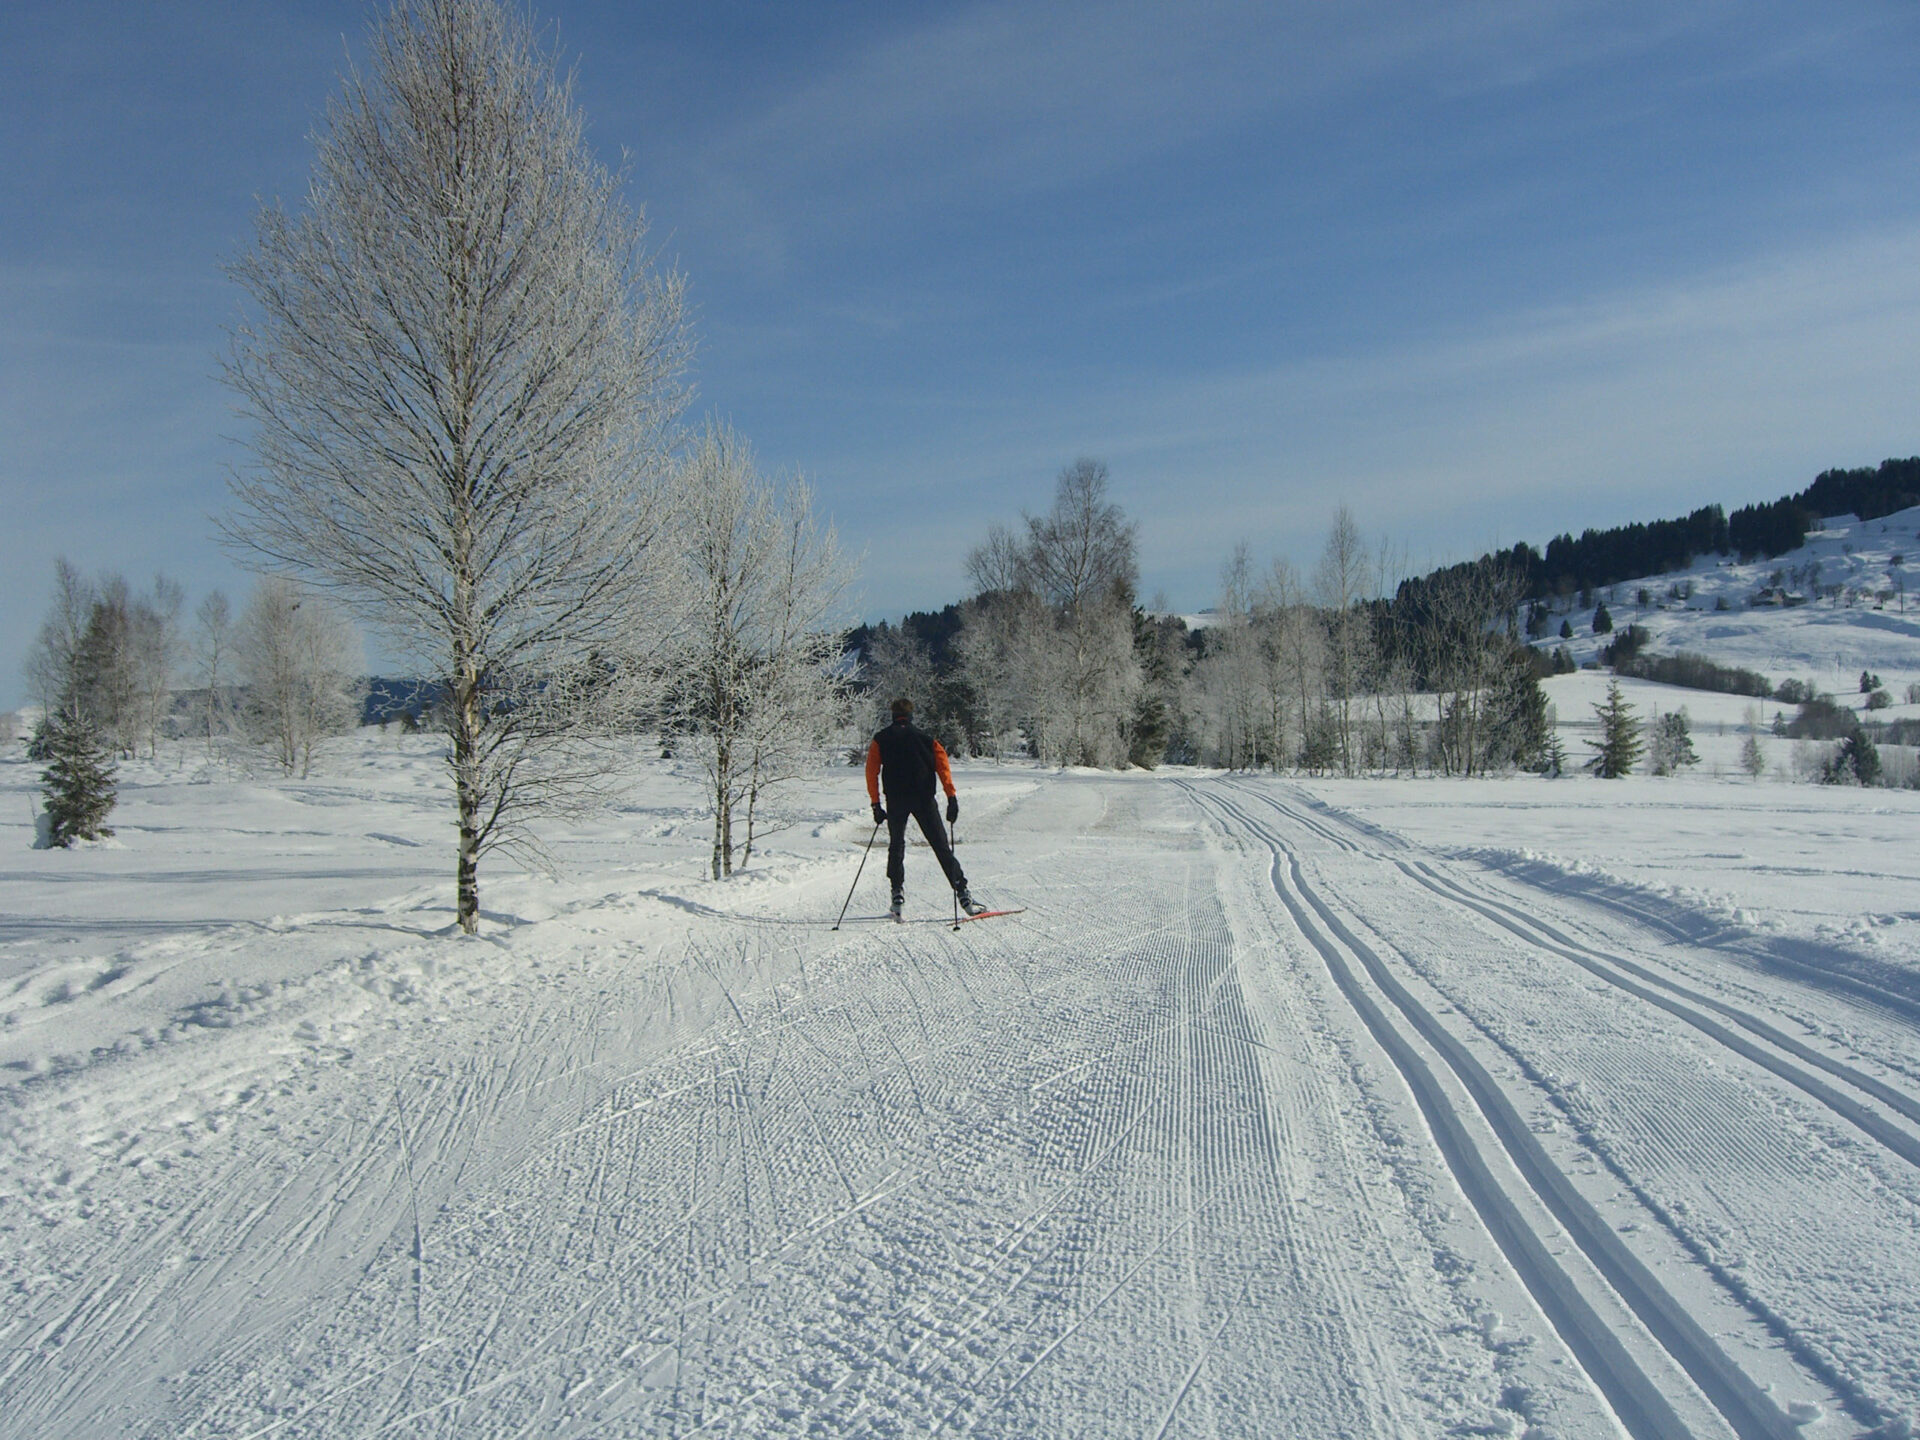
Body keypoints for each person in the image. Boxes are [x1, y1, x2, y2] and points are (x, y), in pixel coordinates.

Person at [865, 697, 986, 919]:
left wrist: (875, 804)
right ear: (911, 715)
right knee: (940, 845)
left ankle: (897, 895)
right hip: (924, 799)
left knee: (896, 845)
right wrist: (951, 797)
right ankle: (963, 894)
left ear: (892, 715)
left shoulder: (880, 740)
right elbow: (943, 768)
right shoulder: (927, 740)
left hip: (896, 800)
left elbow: (871, 772)